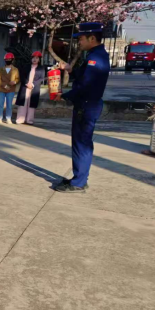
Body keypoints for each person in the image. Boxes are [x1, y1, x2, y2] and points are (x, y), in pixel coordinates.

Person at [54, 22, 111, 193]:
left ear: (92, 38)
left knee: (82, 144)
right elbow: (84, 76)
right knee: (80, 143)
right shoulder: (96, 55)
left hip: (86, 105)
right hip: (86, 105)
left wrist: (65, 96)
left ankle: (79, 182)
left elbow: (86, 85)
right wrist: (70, 69)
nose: (79, 42)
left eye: (81, 38)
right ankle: (78, 178)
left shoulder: (96, 58)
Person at [16, 51, 46, 125]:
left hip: (34, 88)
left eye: (37, 58)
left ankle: (29, 120)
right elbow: (22, 76)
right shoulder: (26, 66)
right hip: (25, 87)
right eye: (33, 58)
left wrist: (33, 84)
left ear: (39, 60)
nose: (35, 59)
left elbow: (41, 78)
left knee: (31, 105)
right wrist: (26, 83)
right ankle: (20, 119)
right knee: (23, 103)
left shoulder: (41, 68)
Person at [0, 53, 20, 124]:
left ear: (12, 60)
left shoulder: (15, 69)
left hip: (11, 89)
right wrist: (4, 85)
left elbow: (18, 78)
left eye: (9, 59)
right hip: (2, 89)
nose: (8, 60)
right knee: (0, 104)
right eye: (7, 59)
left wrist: (15, 82)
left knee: (9, 105)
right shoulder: (1, 69)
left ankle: (8, 118)